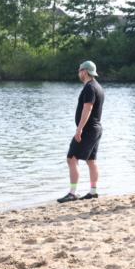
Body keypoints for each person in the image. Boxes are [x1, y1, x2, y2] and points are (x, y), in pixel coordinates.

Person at [58, 60, 104, 203]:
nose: (78, 73)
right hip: (96, 129)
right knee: (91, 160)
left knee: (71, 158)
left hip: (88, 129)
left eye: (79, 70)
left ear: (85, 71)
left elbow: (87, 108)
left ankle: (72, 193)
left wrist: (79, 129)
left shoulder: (89, 88)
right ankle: (93, 191)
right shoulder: (98, 87)